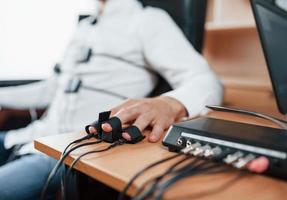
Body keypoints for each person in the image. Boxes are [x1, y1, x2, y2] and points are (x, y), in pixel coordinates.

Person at [0, 0, 267, 199]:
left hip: (63, 151)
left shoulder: (147, 20)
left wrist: (168, 103)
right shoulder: (86, 26)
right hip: (28, 136)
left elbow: (206, 81)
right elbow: (51, 89)